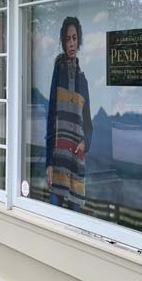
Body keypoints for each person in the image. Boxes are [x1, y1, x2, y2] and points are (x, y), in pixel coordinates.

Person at [45, 17, 93, 209]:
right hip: (58, 161)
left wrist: (85, 143)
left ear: (78, 41)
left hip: (76, 162)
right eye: (67, 39)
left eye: (74, 38)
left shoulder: (83, 81)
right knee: (53, 216)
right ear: (63, 43)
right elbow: (51, 117)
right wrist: (49, 163)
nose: (71, 43)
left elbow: (88, 125)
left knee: (75, 219)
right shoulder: (58, 72)